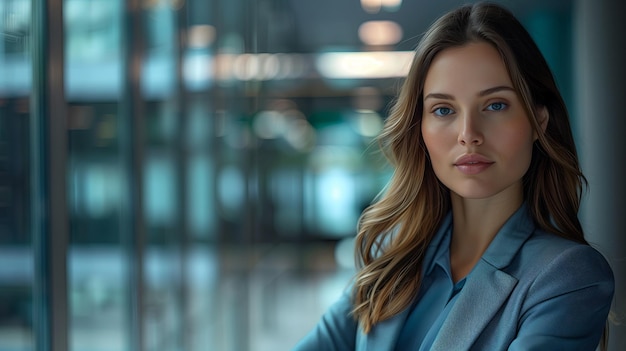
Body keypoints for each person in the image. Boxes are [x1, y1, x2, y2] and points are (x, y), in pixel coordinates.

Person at [293, 2, 615, 350]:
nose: (468, 134)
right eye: (443, 109)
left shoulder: (567, 276)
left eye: (495, 105)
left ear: (539, 121)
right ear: (421, 128)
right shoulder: (393, 256)